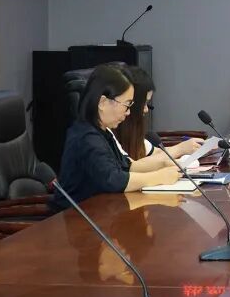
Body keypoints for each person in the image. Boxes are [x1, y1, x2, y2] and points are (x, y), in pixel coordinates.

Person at [50, 64, 180, 212]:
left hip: (99, 212)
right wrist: (159, 177)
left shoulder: (102, 132)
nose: (128, 112)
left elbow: (127, 166)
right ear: (103, 103)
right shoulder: (86, 137)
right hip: (75, 217)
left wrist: (163, 165)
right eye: (127, 105)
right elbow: (113, 180)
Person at [114, 65, 203, 166]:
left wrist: (187, 148)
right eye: (143, 103)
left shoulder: (135, 135)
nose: (146, 109)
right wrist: (180, 149)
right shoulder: (108, 137)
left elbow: (156, 153)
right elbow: (132, 167)